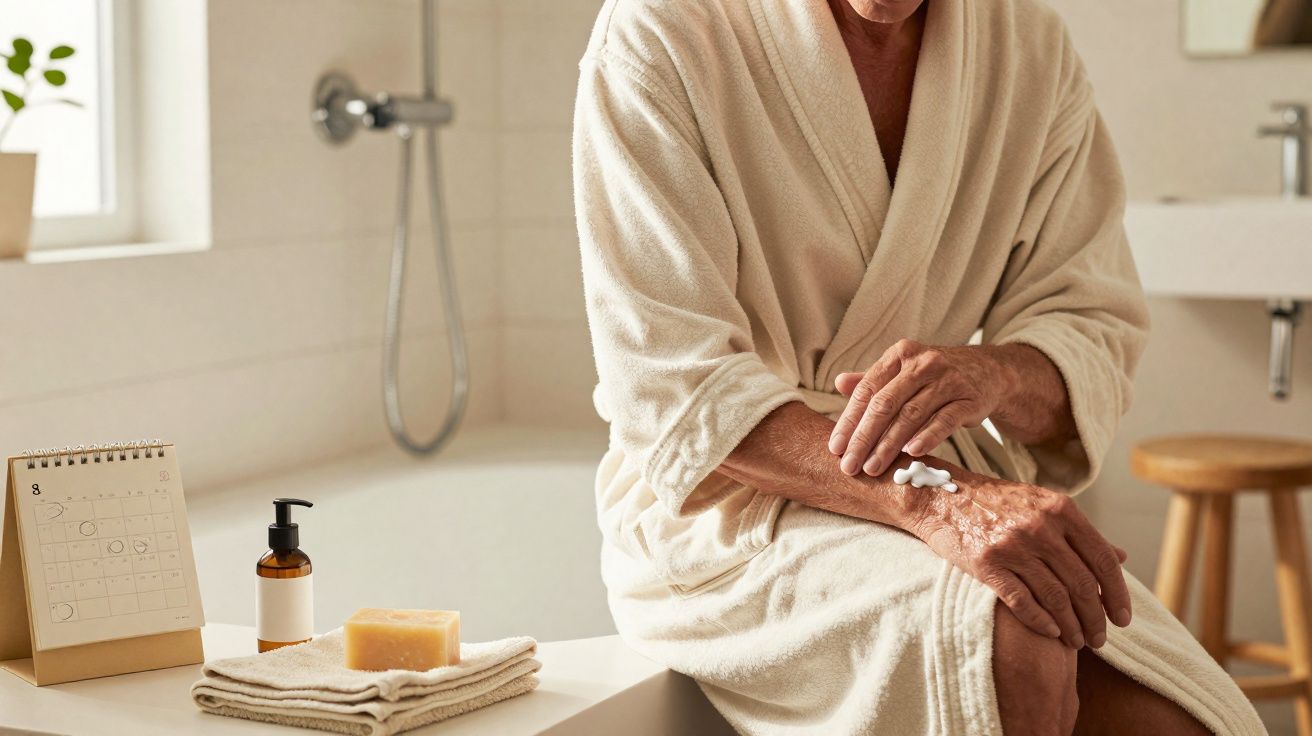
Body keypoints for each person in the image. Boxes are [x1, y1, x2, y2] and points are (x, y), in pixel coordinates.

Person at [573, 0, 1266, 733]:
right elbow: (670, 382)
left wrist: (994, 373)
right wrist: (939, 500)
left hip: (940, 471)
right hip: (728, 513)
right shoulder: (663, 30)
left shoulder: (1023, 42)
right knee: (1010, 641)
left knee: (1178, 720)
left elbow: (1092, 320)